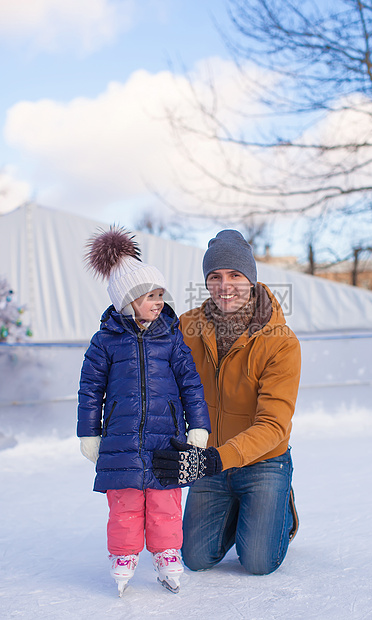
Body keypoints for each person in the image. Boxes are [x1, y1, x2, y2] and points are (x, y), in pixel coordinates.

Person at [153, 229, 301, 576]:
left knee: (258, 562)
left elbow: (274, 425)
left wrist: (215, 460)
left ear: (251, 278)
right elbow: (153, 372)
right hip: (211, 460)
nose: (225, 285)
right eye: (215, 276)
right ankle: (242, 509)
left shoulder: (280, 342)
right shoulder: (185, 328)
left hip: (263, 462)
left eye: (235, 275)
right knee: (195, 558)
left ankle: (279, 502)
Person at [77, 226, 211, 595]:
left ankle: (167, 552)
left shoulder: (171, 336)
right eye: (148, 296)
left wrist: (198, 426)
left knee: (166, 499)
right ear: (126, 301)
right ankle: (123, 555)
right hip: (120, 440)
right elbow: (90, 390)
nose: (157, 301)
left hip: (166, 437)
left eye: (158, 294)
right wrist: (89, 433)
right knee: (125, 502)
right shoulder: (104, 341)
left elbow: (190, 384)